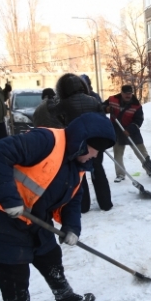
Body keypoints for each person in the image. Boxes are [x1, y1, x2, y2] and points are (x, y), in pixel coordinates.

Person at [0, 112, 116, 301]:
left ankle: (64, 297)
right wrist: (9, 198)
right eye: (94, 149)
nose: (95, 155)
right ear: (82, 142)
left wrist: (71, 227)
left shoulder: (78, 162)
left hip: (36, 220)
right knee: (15, 277)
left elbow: (73, 198)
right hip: (3, 220)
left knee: (50, 256)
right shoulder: (45, 141)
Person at [53, 73, 113, 212]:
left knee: (79, 175)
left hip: (77, 142)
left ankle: (83, 206)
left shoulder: (64, 103)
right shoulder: (93, 100)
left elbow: (54, 115)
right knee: (98, 170)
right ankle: (106, 203)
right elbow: (101, 117)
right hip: (95, 140)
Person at [103, 84, 151, 182]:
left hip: (133, 132)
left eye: (130, 94)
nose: (128, 96)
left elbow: (139, 120)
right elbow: (101, 107)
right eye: (126, 94)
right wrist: (106, 109)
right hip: (117, 131)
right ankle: (120, 174)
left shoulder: (136, 105)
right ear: (121, 93)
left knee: (141, 152)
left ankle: (150, 170)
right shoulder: (112, 100)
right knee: (118, 154)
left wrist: (130, 130)